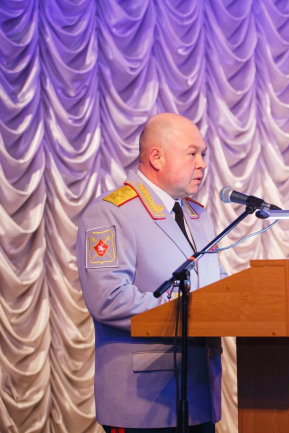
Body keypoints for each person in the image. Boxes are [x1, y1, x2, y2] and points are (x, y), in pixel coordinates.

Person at [76, 113, 226, 433]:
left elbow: (218, 285)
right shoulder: (111, 213)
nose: (202, 164)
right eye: (192, 153)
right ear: (156, 157)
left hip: (200, 395)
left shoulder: (198, 216)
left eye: (203, 154)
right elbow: (108, 299)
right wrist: (191, 311)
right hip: (145, 400)